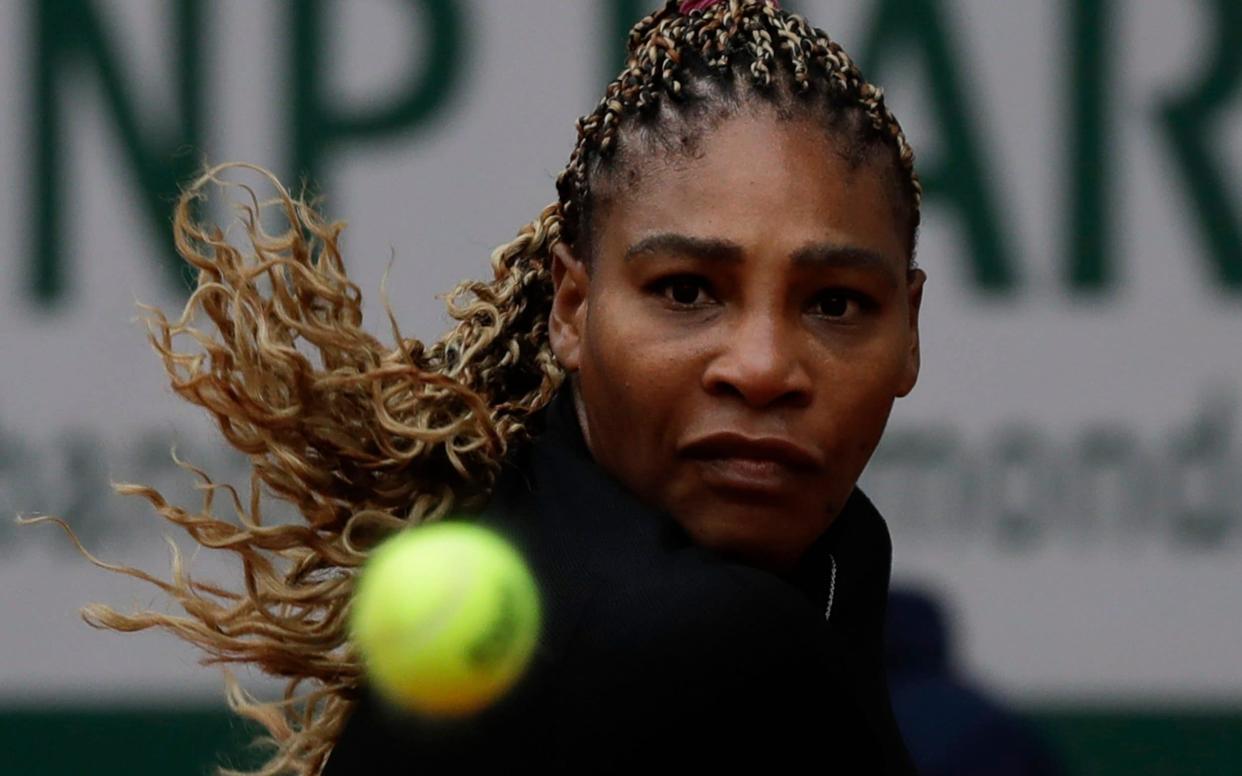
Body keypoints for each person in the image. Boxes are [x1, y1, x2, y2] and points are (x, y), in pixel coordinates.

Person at [56, 0, 925, 773]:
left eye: (836, 304)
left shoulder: (545, 524)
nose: (764, 367)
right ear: (571, 310)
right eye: (687, 291)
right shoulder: (698, 647)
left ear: (909, 329)